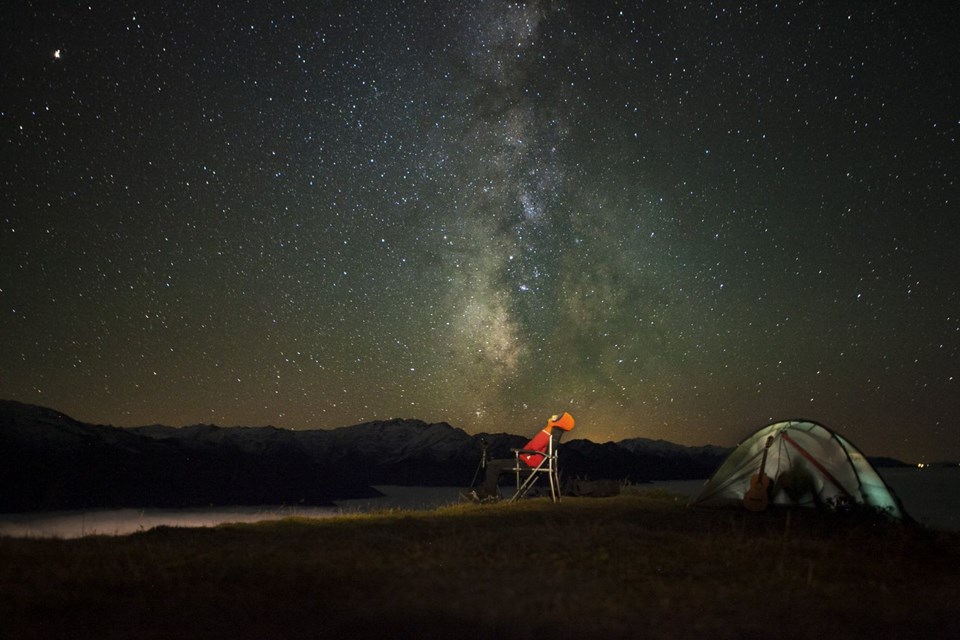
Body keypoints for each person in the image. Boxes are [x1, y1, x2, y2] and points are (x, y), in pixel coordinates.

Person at [465, 412, 575, 502]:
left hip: (529, 465)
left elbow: (535, 446)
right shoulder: (556, 432)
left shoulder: (548, 431)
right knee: (498, 466)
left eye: (557, 416)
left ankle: (489, 495)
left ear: (559, 421)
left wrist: (521, 452)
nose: (553, 416)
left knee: (494, 465)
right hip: (535, 464)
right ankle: (484, 492)